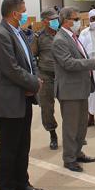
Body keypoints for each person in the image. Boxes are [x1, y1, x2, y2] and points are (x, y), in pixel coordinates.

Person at [0, 0, 45, 190]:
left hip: (24, 97)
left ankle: (22, 183)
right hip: (9, 101)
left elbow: (31, 62)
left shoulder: (18, 32)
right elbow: (11, 69)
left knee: (23, 145)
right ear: (14, 13)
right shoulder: (1, 35)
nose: (25, 14)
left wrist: (34, 79)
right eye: (23, 11)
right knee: (9, 149)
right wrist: (34, 83)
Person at [52, 6, 95, 172]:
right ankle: (69, 158)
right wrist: (93, 62)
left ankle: (77, 152)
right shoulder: (60, 40)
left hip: (80, 88)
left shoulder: (73, 37)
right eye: (75, 19)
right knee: (71, 127)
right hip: (70, 91)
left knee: (81, 124)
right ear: (65, 20)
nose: (78, 22)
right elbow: (68, 63)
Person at [31, 9, 61, 150]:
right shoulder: (38, 37)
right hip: (46, 76)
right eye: (52, 19)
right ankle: (53, 135)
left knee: (70, 107)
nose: (55, 21)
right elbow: (32, 56)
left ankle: (71, 134)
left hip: (63, 76)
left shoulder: (63, 34)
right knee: (47, 109)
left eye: (56, 18)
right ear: (44, 21)